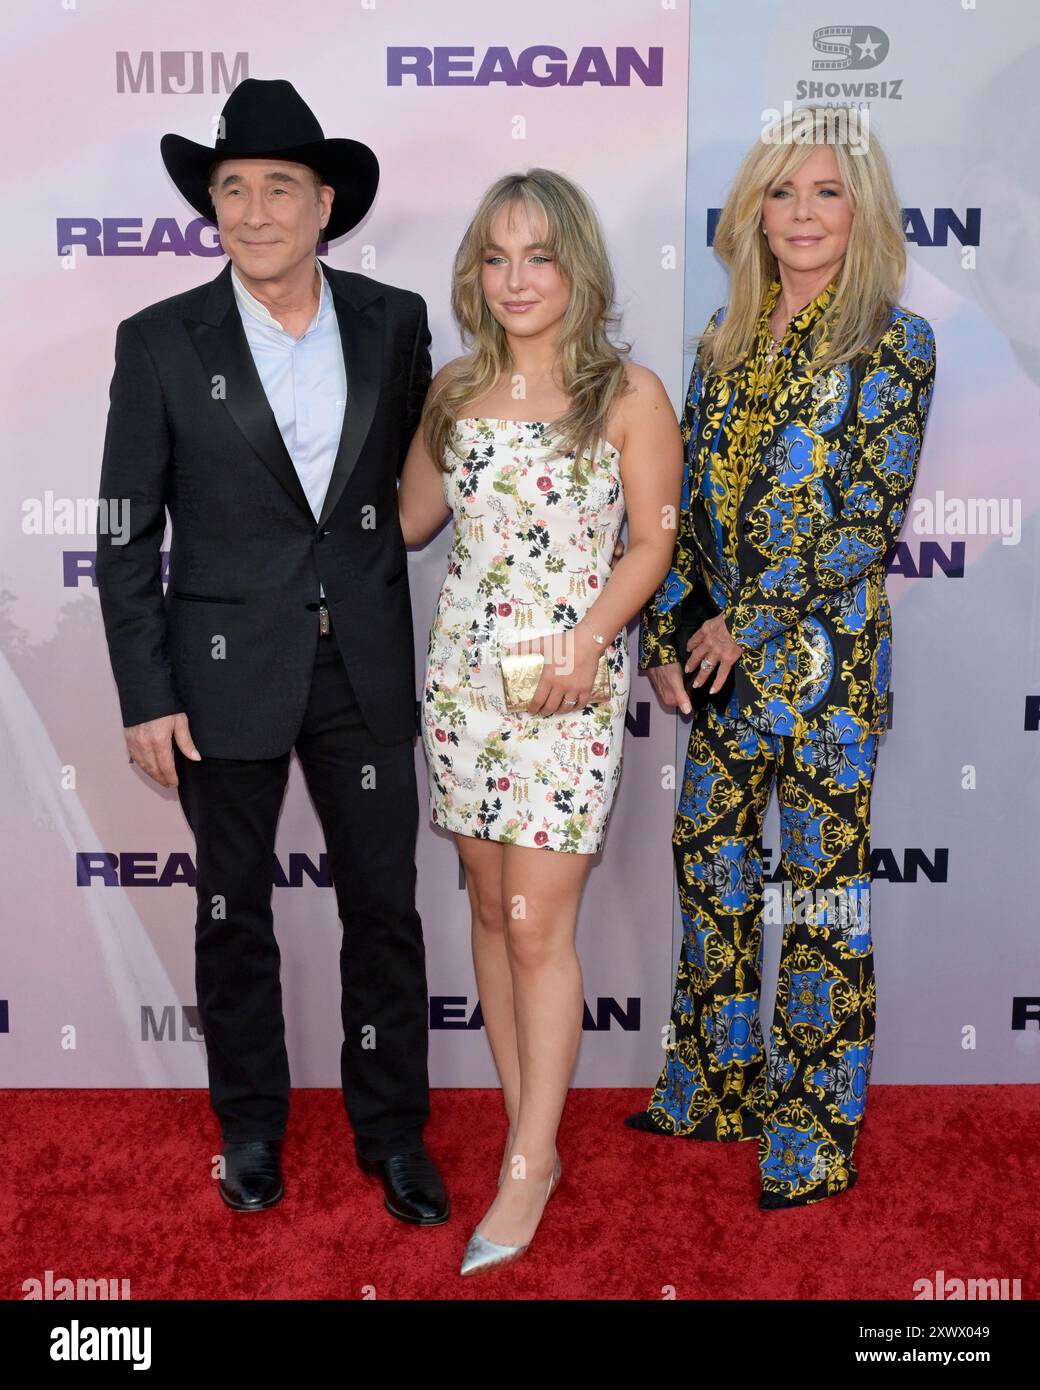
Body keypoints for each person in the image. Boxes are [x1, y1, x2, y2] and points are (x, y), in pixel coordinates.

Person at [95, 78, 449, 1224]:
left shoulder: (394, 323)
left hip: (362, 668)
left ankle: (392, 1132)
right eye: (232, 188)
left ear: (324, 202)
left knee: (384, 913)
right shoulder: (156, 342)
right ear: (212, 202)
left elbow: (416, 487)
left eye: (278, 188)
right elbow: (122, 534)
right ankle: (249, 1128)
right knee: (231, 915)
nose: (253, 211)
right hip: (216, 673)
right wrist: (145, 693)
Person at [626, 108, 937, 1209]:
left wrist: (739, 624)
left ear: (862, 213)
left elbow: (862, 521)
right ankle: (712, 1085)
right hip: (717, 677)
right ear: (751, 213)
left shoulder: (894, 344)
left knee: (820, 903)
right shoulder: (720, 341)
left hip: (827, 677)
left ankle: (810, 1133)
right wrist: (668, 632)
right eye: (779, 192)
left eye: (824, 193)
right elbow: (682, 513)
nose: (799, 214)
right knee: (707, 873)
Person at [398, 169, 682, 1272]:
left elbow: (651, 540)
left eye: (539, 257)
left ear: (577, 269)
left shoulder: (626, 393)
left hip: (566, 685)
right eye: (495, 257)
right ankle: (534, 1142)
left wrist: (590, 638)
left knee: (534, 927)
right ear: (475, 273)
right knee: (483, 907)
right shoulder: (452, 395)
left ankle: (524, 1165)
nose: (516, 279)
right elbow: (407, 521)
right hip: (465, 685)